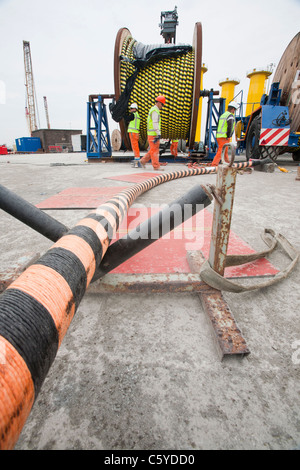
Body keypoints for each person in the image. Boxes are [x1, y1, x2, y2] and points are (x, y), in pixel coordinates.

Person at [140, 95, 167, 171]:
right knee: (155, 151)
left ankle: (142, 161)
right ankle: (156, 166)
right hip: (153, 134)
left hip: (152, 134)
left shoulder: (154, 110)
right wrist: (158, 133)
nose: (162, 106)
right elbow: (155, 123)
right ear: (158, 103)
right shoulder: (155, 111)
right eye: (162, 104)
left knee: (153, 150)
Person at [210, 101, 239, 167]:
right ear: (233, 109)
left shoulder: (223, 115)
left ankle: (227, 163)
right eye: (235, 110)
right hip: (224, 136)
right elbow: (230, 126)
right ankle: (214, 165)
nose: (234, 111)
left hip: (219, 136)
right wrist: (228, 135)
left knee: (225, 150)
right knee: (221, 151)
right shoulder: (230, 116)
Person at [124, 103, 141, 167]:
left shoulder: (133, 115)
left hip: (133, 133)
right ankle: (137, 160)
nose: (130, 110)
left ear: (134, 109)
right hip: (136, 133)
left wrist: (123, 114)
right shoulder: (137, 116)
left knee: (134, 147)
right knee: (136, 147)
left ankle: (137, 162)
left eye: (131, 108)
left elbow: (126, 118)